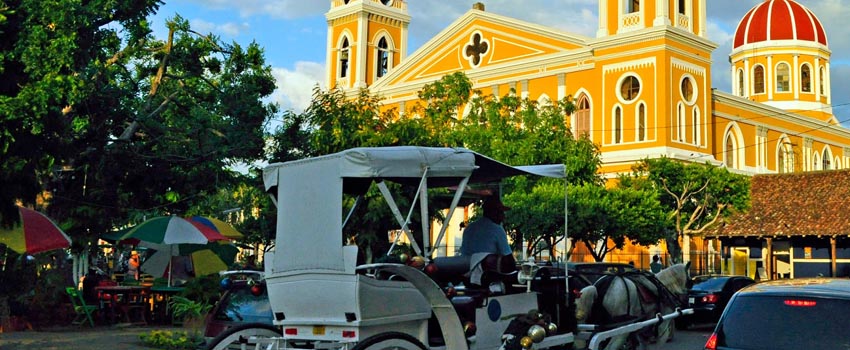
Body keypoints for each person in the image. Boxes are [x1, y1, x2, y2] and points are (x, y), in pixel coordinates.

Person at [460, 196, 517, 271]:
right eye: (501, 212)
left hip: (466, 272)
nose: (503, 216)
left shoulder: (469, 228)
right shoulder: (497, 229)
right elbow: (509, 259)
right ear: (494, 212)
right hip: (487, 275)